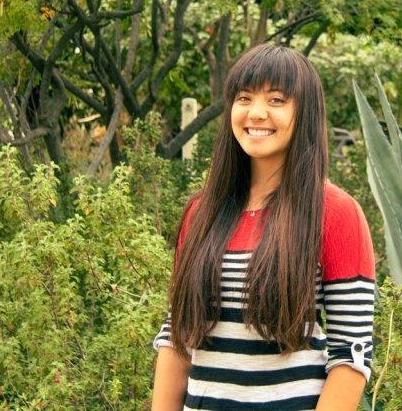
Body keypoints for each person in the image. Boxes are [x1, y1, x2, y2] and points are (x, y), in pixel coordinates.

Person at [150, 44, 375, 411]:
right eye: (244, 98)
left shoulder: (336, 213)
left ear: (305, 113)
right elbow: (177, 336)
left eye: (276, 100)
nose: (256, 113)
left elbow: (352, 354)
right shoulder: (200, 212)